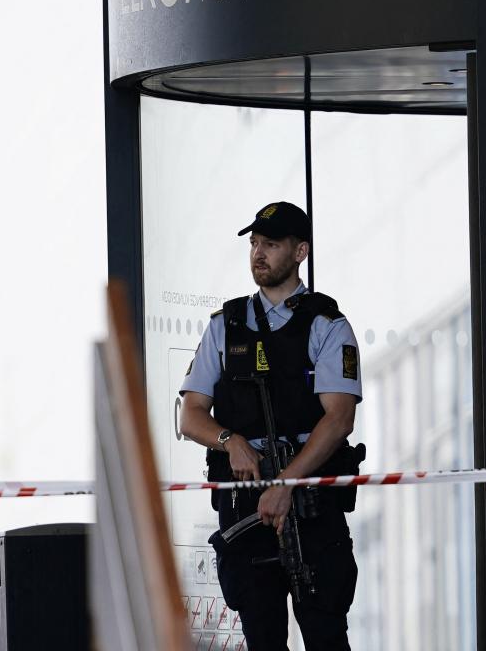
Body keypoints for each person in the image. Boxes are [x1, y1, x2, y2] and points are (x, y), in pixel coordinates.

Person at [179, 201, 363, 650]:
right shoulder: (226, 326)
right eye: (255, 244)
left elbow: (339, 419)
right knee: (262, 638)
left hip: (311, 507)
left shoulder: (326, 325)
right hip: (246, 506)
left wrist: (285, 484)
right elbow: (191, 414)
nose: (258, 253)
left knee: (325, 637)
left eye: (272, 245)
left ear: (300, 252)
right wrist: (230, 441)